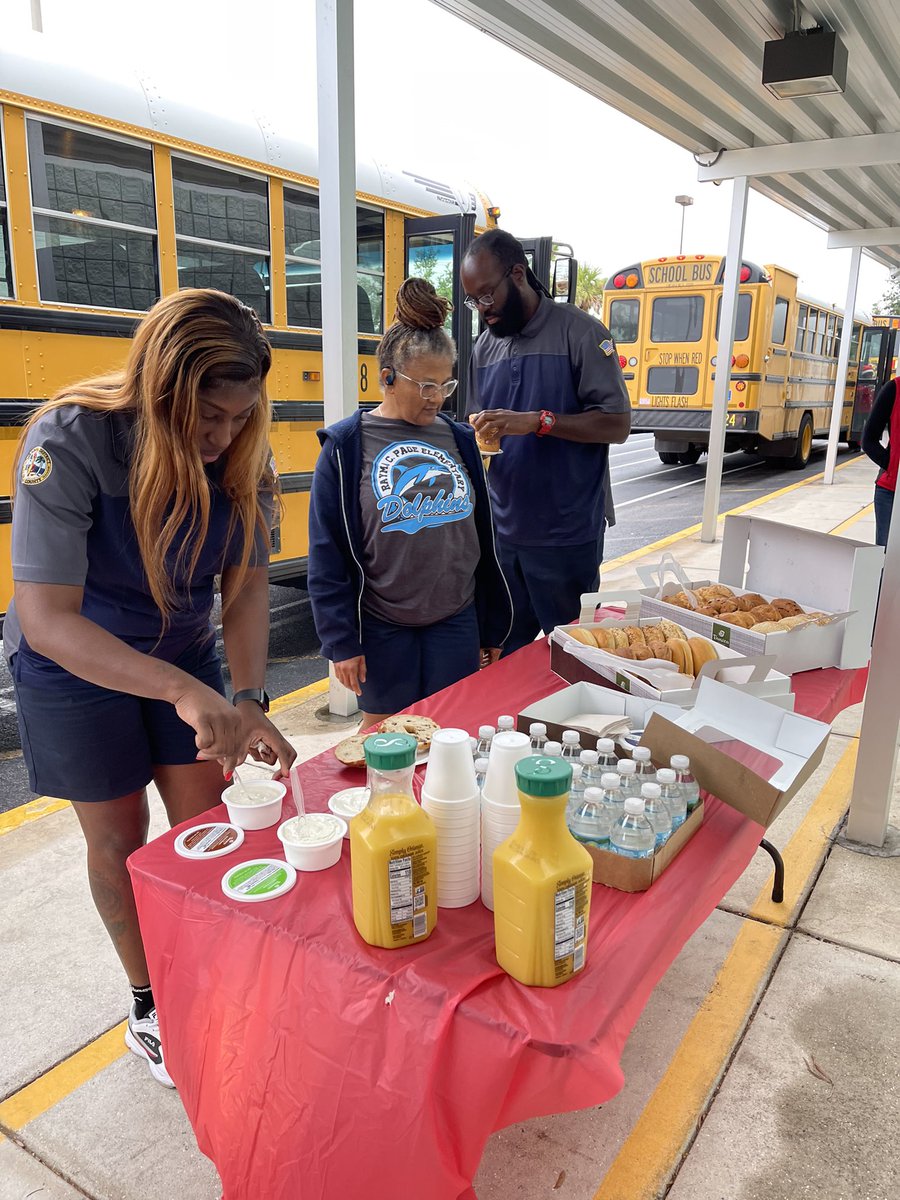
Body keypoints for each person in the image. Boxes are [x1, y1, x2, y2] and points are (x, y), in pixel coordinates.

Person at [7, 289, 296, 1088]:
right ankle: (149, 1005)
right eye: (208, 416)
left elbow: (244, 586)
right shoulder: (68, 441)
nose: (224, 436)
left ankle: (208, 972)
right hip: (76, 667)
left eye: (241, 417)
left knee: (208, 824)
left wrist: (245, 697)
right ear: (159, 391)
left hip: (182, 648)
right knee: (119, 836)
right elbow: (47, 618)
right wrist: (179, 689)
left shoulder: (243, 454)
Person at [307, 277, 513, 729]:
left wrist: (492, 623)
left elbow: (482, 534)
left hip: (454, 618)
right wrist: (342, 641)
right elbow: (328, 554)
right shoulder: (344, 447)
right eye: (423, 385)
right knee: (386, 738)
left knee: (452, 730)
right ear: (386, 378)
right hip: (381, 623)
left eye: (445, 384)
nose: (436, 398)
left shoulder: (459, 438)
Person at [461, 228, 631, 655]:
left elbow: (617, 424)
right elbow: (477, 424)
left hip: (566, 535)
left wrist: (540, 422)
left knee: (571, 658)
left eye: (487, 296)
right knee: (500, 659)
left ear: (517, 274)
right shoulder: (484, 348)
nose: (483, 311)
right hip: (503, 535)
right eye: (473, 301)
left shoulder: (583, 334)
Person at [862, 375, 899, 547]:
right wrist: (893, 466)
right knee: (887, 559)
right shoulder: (894, 389)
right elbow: (868, 440)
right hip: (891, 493)